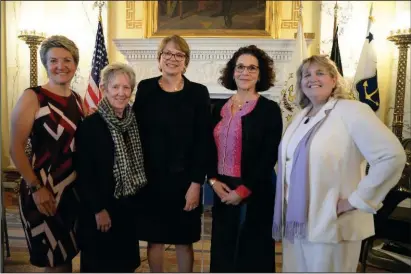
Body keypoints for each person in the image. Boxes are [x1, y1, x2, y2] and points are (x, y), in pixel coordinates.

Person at [272, 55, 407, 272]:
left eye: (320, 73)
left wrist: (357, 200)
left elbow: (392, 156)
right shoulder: (301, 116)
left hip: (332, 222)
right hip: (297, 221)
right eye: (306, 74)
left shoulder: (352, 111)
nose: (312, 78)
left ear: (334, 79)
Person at [132, 34, 211, 272]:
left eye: (179, 54)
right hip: (150, 181)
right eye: (167, 53)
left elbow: (203, 141)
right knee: (154, 240)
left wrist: (197, 183)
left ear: (186, 61)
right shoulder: (145, 89)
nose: (172, 58)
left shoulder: (198, 93)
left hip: (185, 181)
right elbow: (135, 133)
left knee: (184, 241)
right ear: (159, 59)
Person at [9, 35, 84, 272]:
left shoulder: (78, 100)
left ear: (75, 64)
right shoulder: (33, 97)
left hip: (72, 193)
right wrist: (36, 188)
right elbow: (15, 148)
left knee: (66, 258)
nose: (60, 66)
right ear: (45, 63)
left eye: (67, 60)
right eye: (53, 60)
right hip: (43, 192)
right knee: (54, 260)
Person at [208, 45, 283, 272]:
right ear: (232, 71)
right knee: (224, 251)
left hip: (255, 189)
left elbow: (269, 154)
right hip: (221, 188)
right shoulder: (217, 107)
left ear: (260, 74)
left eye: (252, 68)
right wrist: (212, 180)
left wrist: (244, 189)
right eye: (240, 67)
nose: (245, 72)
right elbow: (207, 148)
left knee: (251, 254)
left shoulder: (269, 109)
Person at [75, 63, 147, 273]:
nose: (121, 93)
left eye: (126, 88)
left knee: (125, 265)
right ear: (104, 89)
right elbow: (85, 173)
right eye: (115, 87)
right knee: (100, 265)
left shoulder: (134, 123)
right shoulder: (90, 126)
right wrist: (98, 209)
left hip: (126, 209)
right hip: (100, 211)